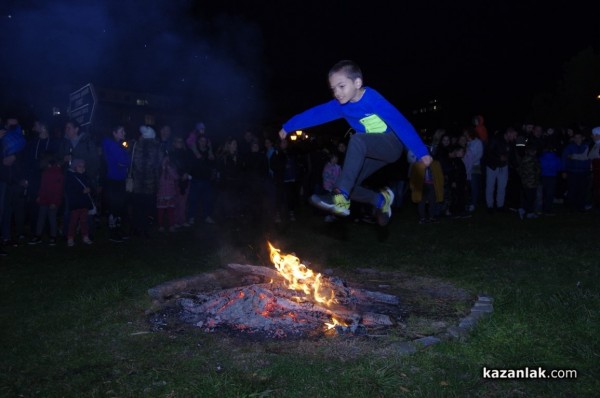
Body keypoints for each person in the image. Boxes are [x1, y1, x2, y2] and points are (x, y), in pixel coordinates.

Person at [277, 60, 432, 226]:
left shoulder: (372, 99)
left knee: (357, 141)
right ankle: (380, 200)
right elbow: (316, 114)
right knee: (346, 182)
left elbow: (400, 122)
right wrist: (289, 126)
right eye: (333, 89)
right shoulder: (340, 106)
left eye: (341, 86)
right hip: (370, 150)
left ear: (357, 83)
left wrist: (421, 151)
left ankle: (341, 197)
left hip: (391, 145)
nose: (337, 93)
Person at [101, 125, 131, 242]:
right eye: (121, 131)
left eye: (124, 131)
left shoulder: (119, 144)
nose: (124, 133)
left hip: (120, 179)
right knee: (114, 206)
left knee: (120, 206)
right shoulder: (110, 144)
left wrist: (125, 157)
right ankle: (113, 232)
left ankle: (118, 230)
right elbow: (124, 161)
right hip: (113, 180)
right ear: (114, 133)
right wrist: (125, 158)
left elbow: (127, 159)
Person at [28, 153, 64, 245]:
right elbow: (43, 186)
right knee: (41, 218)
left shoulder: (57, 172)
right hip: (44, 199)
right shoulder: (45, 172)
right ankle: (38, 235)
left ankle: (53, 236)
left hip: (53, 200)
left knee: (52, 218)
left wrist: (54, 201)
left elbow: (58, 189)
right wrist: (40, 196)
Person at [64, 159, 94, 247]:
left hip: (84, 203)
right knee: (73, 221)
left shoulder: (86, 177)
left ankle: (85, 236)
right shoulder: (71, 177)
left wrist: (90, 189)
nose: (82, 168)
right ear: (75, 167)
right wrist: (81, 191)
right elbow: (69, 190)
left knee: (84, 221)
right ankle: (70, 238)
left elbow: (91, 187)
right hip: (76, 203)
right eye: (79, 166)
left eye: (83, 166)